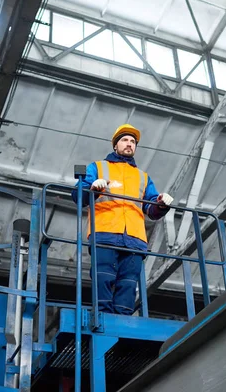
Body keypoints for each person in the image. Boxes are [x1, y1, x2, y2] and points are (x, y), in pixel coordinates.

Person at [72, 124, 174, 315]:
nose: (129, 144)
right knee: (103, 277)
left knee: (128, 283)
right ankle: (102, 317)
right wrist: (92, 188)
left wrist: (161, 204)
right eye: (125, 140)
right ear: (115, 145)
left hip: (135, 239)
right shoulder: (98, 167)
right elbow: (78, 196)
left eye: (133, 141)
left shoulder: (142, 177)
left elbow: (151, 209)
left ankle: (123, 319)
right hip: (105, 233)